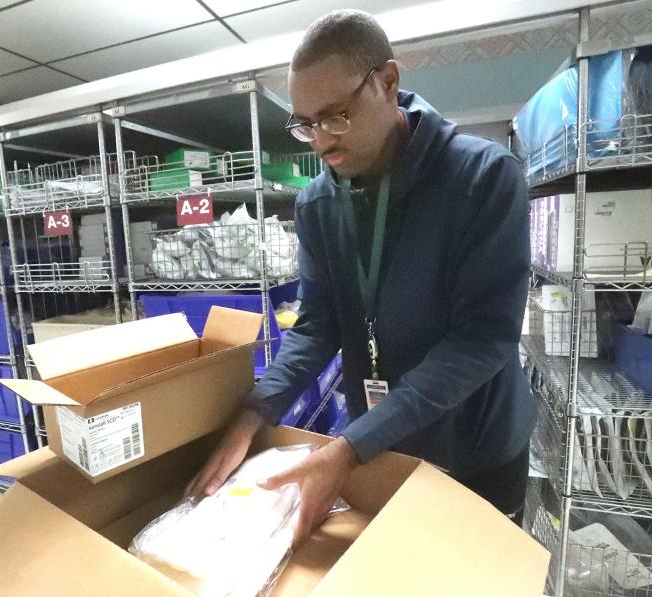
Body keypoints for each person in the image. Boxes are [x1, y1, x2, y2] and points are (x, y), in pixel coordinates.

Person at [188, 10, 535, 545]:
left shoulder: (483, 178)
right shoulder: (318, 205)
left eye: (337, 115)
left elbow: (483, 339)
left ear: (388, 83)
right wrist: (255, 411)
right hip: (384, 450)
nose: (321, 142)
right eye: (306, 123)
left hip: (476, 453)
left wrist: (349, 446)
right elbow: (317, 325)